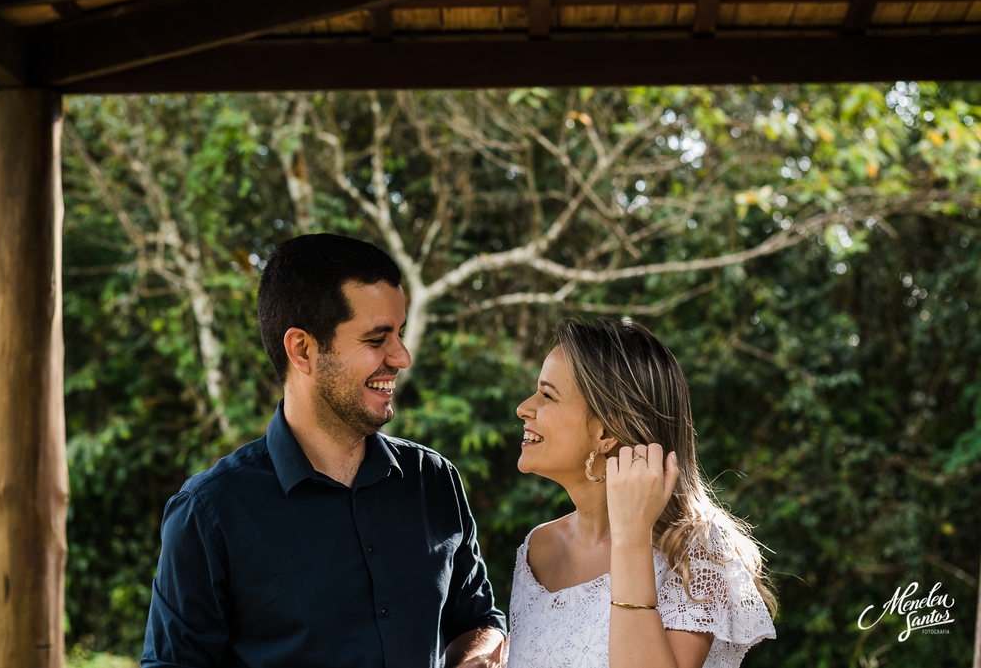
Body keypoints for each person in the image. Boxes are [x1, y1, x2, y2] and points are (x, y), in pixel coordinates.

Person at [142, 233, 507, 668]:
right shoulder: (208, 514)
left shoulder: (435, 481)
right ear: (302, 349)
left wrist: (478, 656)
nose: (402, 357)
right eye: (377, 339)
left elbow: (480, 621)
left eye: (400, 334)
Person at [507, 317, 776, 668]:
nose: (523, 408)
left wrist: (631, 540)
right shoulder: (537, 550)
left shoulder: (695, 552)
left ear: (606, 432)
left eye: (547, 395)